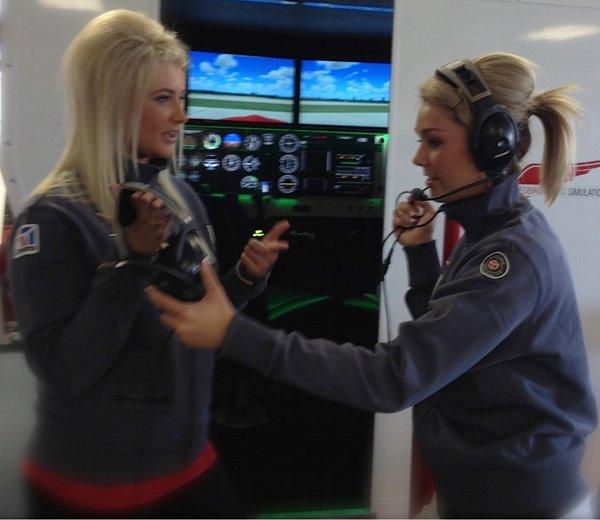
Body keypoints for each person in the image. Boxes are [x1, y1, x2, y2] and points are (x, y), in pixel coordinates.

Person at [146, 53, 598, 518]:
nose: (418, 158)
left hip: (521, 505)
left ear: (492, 146)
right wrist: (421, 253)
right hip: (489, 495)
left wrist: (233, 333)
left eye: (434, 142)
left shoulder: (511, 257)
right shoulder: (491, 235)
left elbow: (394, 378)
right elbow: (447, 351)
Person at [8, 9, 289, 518]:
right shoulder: (51, 219)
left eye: (181, 97)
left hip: (188, 464)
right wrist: (131, 261)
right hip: (94, 491)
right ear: (111, 104)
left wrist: (244, 279)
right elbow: (63, 370)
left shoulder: (180, 195)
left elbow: (192, 312)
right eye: (163, 99)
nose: (181, 116)